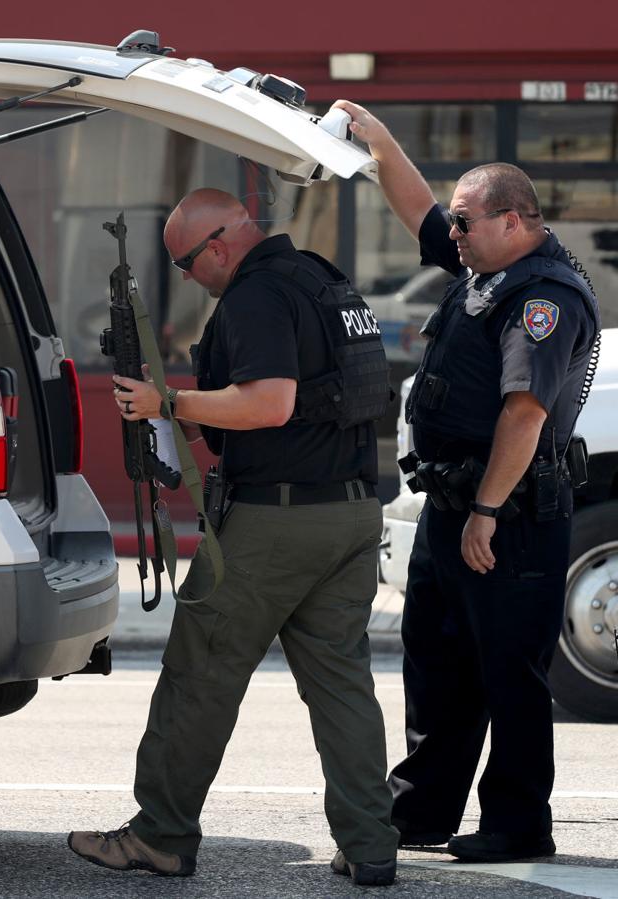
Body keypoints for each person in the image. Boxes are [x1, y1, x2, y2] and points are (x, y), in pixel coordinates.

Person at [67, 189, 399, 886]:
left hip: (275, 523)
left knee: (199, 676)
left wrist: (172, 403)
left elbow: (271, 401)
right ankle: (369, 844)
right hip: (349, 511)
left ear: (217, 245)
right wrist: (184, 425)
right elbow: (306, 402)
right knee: (342, 686)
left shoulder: (255, 297)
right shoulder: (323, 280)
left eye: (187, 263)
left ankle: (159, 834)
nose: (189, 278)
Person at [332, 100, 601, 863]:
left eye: (464, 223)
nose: (449, 236)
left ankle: (518, 822)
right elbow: (418, 209)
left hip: (506, 517)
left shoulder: (540, 295)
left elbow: (524, 412)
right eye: (455, 225)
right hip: (451, 507)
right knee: (437, 663)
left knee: (508, 673)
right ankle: (420, 811)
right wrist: (381, 141)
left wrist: (485, 509)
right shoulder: (487, 264)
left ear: (514, 220)